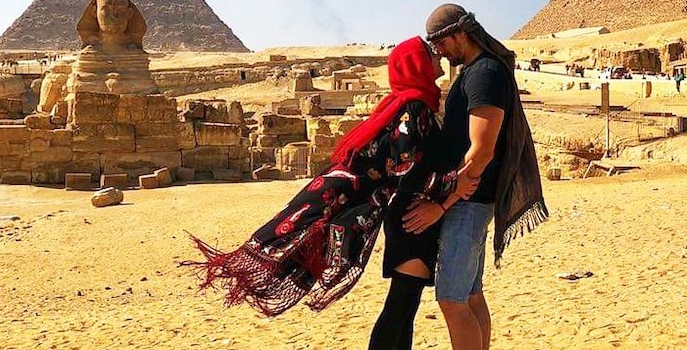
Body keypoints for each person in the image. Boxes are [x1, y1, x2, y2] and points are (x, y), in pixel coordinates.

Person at [185, 37, 473, 350]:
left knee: (405, 306)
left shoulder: (408, 103)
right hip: (412, 217)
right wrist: (453, 182)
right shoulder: (414, 107)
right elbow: (405, 167)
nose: (437, 57)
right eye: (429, 54)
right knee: (401, 306)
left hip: (408, 215)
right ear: (415, 64)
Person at [404, 4, 548, 350]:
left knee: (452, 300)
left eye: (440, 42)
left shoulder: (484, 73)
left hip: (468, 201)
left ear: (460, 34)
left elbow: (481, 151)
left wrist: (443, 204)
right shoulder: (475, 70)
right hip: (473, 198)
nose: (438, 51)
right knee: (470, 295)